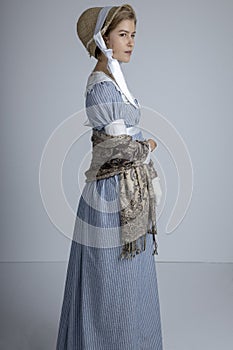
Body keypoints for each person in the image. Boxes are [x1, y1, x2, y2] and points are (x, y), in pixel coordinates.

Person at [56, 4, 163, 349]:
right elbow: (118, 148)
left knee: (131, 278)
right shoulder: (101, 87)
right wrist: (145, 145)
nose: (131, 42)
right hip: (110, 195)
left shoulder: (116, 83)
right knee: (110, 279)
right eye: (123, 34)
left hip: (128, 190)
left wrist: (138, 146)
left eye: (133, 35)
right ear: (104, 39)